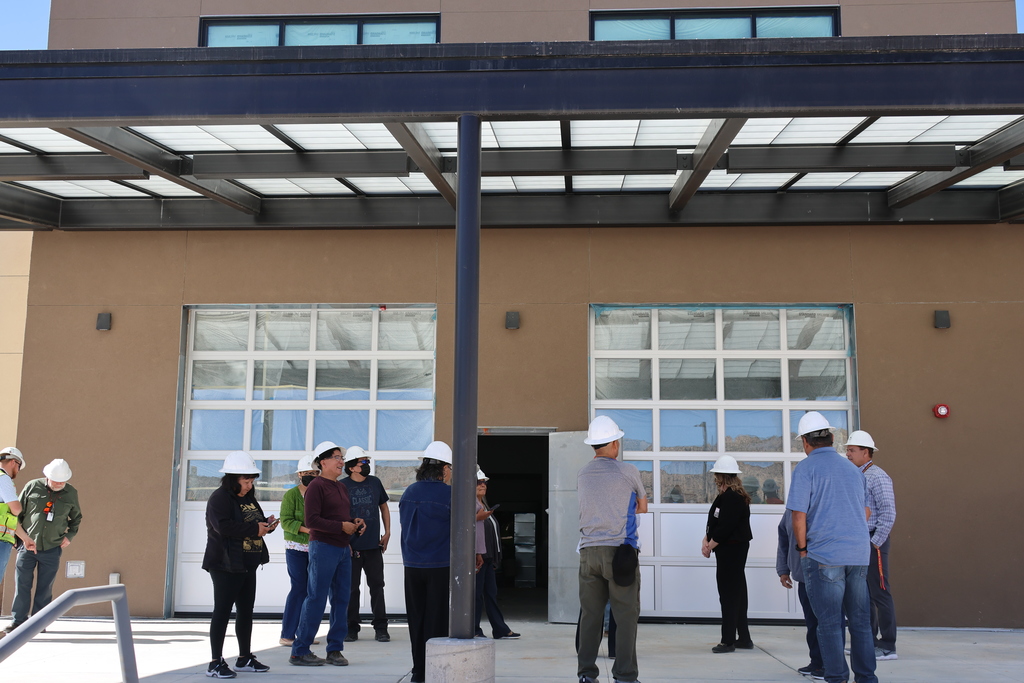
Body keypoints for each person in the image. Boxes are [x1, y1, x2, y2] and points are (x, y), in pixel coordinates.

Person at [788, 412, 877, 683]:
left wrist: (803, 551)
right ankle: (867, 678)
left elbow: (798, 516)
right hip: (859, 555)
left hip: (824, 556)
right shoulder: (853, 469)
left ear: (805, 442)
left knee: (829, 624)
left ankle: (837, 678)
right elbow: (865, 511)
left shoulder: (805, 469)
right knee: (860, 622)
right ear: (833, 437)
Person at [577, 415, 647, 683]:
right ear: (615, 443)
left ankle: (586, 674)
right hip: (620, 552)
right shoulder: (628, 471)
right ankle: (625, 675)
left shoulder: (583, 473)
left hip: (588, 553)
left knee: (591, 616)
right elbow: (643, 506)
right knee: (626, 615)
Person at [289, 441, 365, 667]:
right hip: (323, 547)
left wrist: (354, 522)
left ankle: (335, 649)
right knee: (316, 598)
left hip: (342, 549)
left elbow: (339, 517)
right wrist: (341, 526)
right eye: (336, 457)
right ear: (323, 462)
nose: (341, 461)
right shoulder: (316, 486)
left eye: (341, 457)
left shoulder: (341, 487)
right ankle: (300, 650)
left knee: (342, 599)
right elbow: (311, 521)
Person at [201, 450, 275, 678]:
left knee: (245, 611)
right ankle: (215, 662)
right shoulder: (219, 498)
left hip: (247, 562)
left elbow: (253, 522)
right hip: (225, 564)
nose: (249, 485)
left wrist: (266, 525)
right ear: (233, 478)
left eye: (252, 481)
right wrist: (255, 529)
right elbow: (223, 526)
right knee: (222, 611)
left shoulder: (248, 498)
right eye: (245, 481)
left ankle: (244, 658)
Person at [5, 458, 82, 637]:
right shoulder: (32, 486)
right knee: (22, 584)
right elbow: (17, 513)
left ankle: (39, 623)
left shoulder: (71, 493)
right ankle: (18, 622)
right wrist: (20, 538)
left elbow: (76, 518)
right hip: (27, 546)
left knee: (45, 587)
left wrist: (69, 536)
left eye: (62, 482)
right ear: (47, 476)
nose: (58, 484)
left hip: (52, 547)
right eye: (55, 481)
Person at [399, 441, 453, 683]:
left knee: (416, 619)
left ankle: (418, 671)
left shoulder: (409, 492)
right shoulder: (450, 494)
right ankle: (435, 670)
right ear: (443, 469)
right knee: (437, 619)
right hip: (439, 565)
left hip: (412, 565)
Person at [845, 430, 898, 661]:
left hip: (873, 540)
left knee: (880, 592)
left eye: (852, 450)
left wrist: (874, 543)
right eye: (847, 449)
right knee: (862, 593)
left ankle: (887, 645)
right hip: (859, 540)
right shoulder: (855, 475)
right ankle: (867, 641)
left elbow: (888, 512)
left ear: (866, 452)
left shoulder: (878, 476)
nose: (847, 454)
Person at [702, 455, 753, 653]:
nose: (715, 478)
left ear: (722, 476)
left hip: (732, 549)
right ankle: (744, 638)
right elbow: (716, 522)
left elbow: (726, 527)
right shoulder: (726, 495)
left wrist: (710, 545)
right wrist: (706, 540)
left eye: (716, 475)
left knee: (729, 594)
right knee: (737, 591)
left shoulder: (732, 497)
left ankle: (728, 640)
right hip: (728, 548)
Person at [341, 445, 392, 643]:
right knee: (351, 589)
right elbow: (339, 515)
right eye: (363, 462)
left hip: (373, 546)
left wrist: (387, 532)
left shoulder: (375, 482)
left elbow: (384, 507)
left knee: (377, 587)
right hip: (351, 547)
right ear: (352, 467)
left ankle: (381, 628)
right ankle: (351, 628)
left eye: (367, 462)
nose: (367, 465)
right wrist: (345, 541)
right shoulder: (342, 486)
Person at [278, 454, 320, 647]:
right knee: (299, 588)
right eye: (308, 473)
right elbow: (286, 522)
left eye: (315, 473)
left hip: (316, 547)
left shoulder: (320, 495)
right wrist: (306, 529)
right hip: (296, 548)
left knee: (313, 590)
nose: (311, 476)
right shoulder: (291, 495)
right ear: (300, 474)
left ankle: (306, 635)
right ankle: (287, 634)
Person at [777, 511, 823, 679]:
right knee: (812, 623)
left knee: (828, 623)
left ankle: (831, 666)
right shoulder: (791, 510)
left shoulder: (821, 501)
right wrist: (783, 570)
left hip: (826, 575)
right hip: (803, 575)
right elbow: (784, 538)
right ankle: (817, 663)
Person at [474, 469, 519, 640]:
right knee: (476, 595)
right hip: (478, 558)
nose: (482, 484)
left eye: (484, 482)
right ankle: (474, 629)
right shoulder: (471, 507)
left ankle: (499, 628)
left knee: (491, 594)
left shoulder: (483, 505)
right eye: (478, 482)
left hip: (488, 558)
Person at [0, 447, 25, 590]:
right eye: (19, 466)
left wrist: (26, 539)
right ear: (14, 462)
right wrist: (18, 507)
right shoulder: (3, 478)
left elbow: (8, 518)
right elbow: (15, 510)